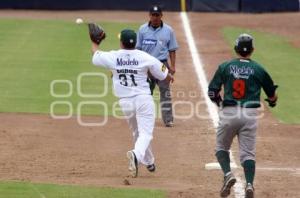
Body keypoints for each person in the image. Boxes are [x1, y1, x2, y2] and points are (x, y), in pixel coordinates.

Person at [90, 28, 173, 178]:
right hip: (143, 100)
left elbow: (95, 55)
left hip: (125, 103)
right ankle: (136, 154)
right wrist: (169, 77)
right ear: (135, 42)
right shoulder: (144, 56)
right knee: (146, 133)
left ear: (121, 42)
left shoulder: (113, 56)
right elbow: (165, 74)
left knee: (137, 132)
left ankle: (149, 161)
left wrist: (94, 42)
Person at [208, 33, 278, 198]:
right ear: (252, 50)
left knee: (221, 148)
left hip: (230, 112)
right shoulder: (259, 69)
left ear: (236, 49)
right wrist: (273, 101)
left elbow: (212, 91)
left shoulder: (225, 66)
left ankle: (228, 174)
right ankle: (249, 184)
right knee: (248, 154)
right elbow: (272, 94)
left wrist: (220, 103)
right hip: (250, 115)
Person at [136, 5, 178, 127]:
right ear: (149, 15)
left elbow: (172, 50)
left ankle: (168, 119)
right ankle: (143, 118)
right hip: (146, 65)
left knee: (165, 92)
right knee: (145, 93)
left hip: (162, 64)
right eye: (153, 15)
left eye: (157, 15)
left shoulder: (168, 30)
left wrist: (173, 66)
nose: (155, 18)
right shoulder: (142, 29)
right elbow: (138, 49)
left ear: (161, 16)